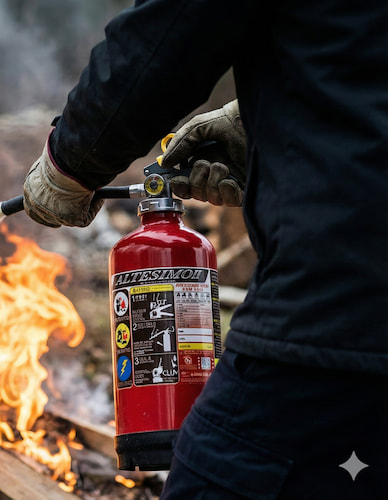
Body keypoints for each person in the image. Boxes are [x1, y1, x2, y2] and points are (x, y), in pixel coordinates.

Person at [21, 0, 388, 498]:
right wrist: (259, 126)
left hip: (339, 300)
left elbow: (172, 26)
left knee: (212, 478)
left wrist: (69, 160)